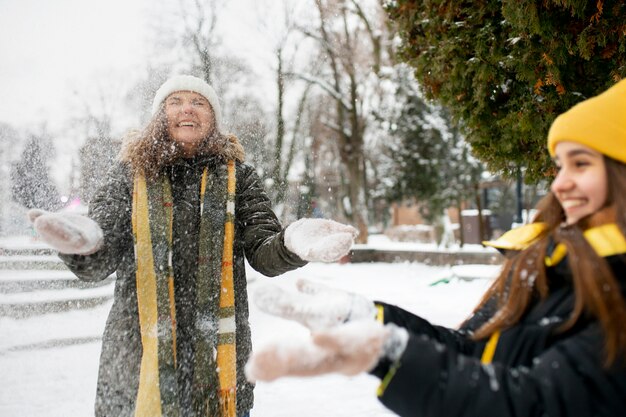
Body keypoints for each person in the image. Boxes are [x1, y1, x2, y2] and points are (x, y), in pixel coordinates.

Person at [245, 78, 626, 417]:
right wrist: (364, 319)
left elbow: (533, 402)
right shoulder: (549, 263)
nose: (560, 184)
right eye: (559, 166)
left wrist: (391, 353)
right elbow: (473, 353)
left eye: (581, 164)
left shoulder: (609, 277)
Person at [28, 74, 357, 417]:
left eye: (198, 102)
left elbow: (263, 251)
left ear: (212, 118)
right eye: (175, 102)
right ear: (160, 115)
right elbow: (101, 253)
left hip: (218, 358)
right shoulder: (128, 176)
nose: (187, 109)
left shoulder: (239, 178)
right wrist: (82, 243)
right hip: (137, 355)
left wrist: (291, 243)